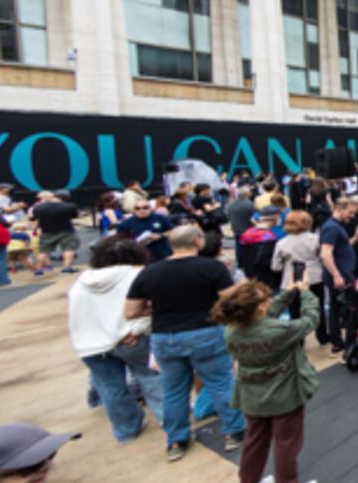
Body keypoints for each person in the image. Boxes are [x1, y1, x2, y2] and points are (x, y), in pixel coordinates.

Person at [124, 224, 245, 462]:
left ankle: (177, 440)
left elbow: (130, 311)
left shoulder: (150, 272)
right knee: (221, 382)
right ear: (197, 241)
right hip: (205, 332)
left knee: (173, 390)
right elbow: (230, 299)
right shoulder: (211, 267)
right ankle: (234, 431)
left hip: (164, 337)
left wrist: (159, 308)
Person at [212, 278, 321, 483]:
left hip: (252, 394)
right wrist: (305, 294)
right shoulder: (279, 331)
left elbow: (262, 316)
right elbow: (311, 319)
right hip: (284, 394)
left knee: (254, 441)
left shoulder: (232, 330)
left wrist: (288, 293)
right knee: (285, 444)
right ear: (260, 307)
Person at [67, 235, 164, 442]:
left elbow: (77, 315)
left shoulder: (82, 282)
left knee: (110, 388)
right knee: (150, 378)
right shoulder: (137, 274)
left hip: (91, 346)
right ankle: (170, 420)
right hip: (129, 338)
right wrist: (137, 330)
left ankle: (126, 431)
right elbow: (151, 306)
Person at [272, 210, 328, 345]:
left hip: (291, 280)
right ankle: (322, 336)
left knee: (295, 312)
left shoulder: (281, 243)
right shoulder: (315, 239)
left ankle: (299, 340)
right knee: (317, 307)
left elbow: (276, 267)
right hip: (314, 277)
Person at [318, 197, 358, 356]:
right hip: (340, 274)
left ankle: (337, 342)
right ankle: (348, 344)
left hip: (341, 272)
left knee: (336, 308)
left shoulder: (335, 227)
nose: (352, 216)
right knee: (347, 309)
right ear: (339, 209)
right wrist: (336, 275)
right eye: (350, 213)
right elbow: (325, 253)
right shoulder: (332, 228)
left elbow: (339, 248)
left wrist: (355, 239)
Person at [30, 190, 80, 275]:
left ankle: (39, 269)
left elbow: (33, 218)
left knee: (43, 251)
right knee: (69, 249)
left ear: (54, 196)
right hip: (66, 230)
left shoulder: (39, 207)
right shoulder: (70, 206)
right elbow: (74, 216)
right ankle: (67, 268)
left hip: (47, 231)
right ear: (66, 198)